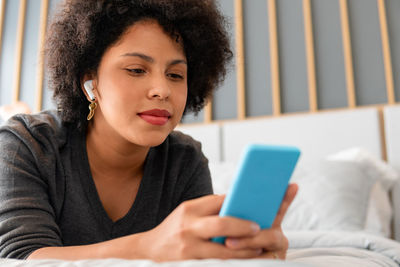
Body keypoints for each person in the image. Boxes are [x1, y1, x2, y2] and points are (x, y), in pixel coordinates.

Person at [0, 0, 297, 261]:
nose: (162, 90)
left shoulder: (185, 160)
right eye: (136, 70)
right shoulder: (26, 144)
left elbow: (195, 255)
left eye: (175, 75)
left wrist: (244, 251)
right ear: (90, 82)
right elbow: (20, 257)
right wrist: (148, 246)